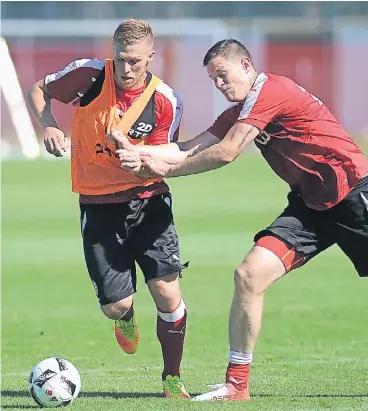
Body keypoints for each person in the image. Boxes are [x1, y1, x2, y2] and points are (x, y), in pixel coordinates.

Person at [116, 39, 368, 401]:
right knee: (249, 275)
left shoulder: (271, 91)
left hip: (353, 193)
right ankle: (237, 385)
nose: (219, 85)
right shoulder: (242, 108)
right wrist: (137, 151)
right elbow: (190, 146)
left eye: (223, 75)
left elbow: (226, 152)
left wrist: (166, 170)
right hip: (310, 207)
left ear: (246, 64)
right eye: (213, 80)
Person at [26, 18, 192, 399]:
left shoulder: (166, 100)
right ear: (111, 53)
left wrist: (143, 161)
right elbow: (39, 90)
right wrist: (49, 123)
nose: (127, 69)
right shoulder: (88, 76)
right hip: (98, 206)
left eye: (135, 60)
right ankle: (127, 317)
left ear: (151, 56)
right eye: (120, 59)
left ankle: (171, 377)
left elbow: (171, 157)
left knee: (167, 292)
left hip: (149, 202)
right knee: (116, 306)